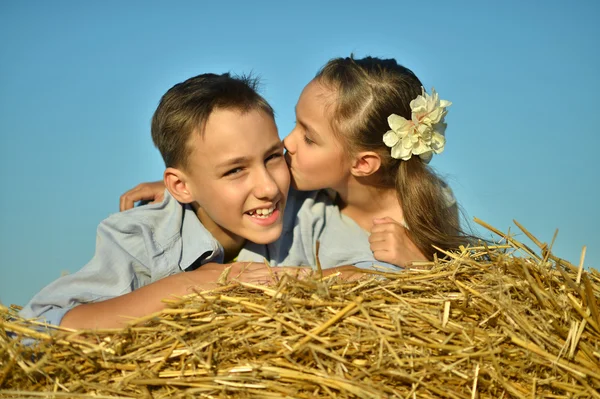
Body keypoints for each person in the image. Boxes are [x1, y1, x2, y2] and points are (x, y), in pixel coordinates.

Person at [120, 56, 471, 271]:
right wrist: (186, 192)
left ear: (363, 164)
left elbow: (464, 303)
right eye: (295, 123)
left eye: (309, 136)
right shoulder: (297, 192)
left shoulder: (431, 207)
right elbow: (230, 173)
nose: (287, 142)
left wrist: (421, 267)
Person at [19, 72, 298, 330]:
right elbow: (33, 328)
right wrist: (196, 282)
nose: (268, 187)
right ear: (180, 186)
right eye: (235, 170)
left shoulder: (305, 207)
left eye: (273, 156)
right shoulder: (144, 239)